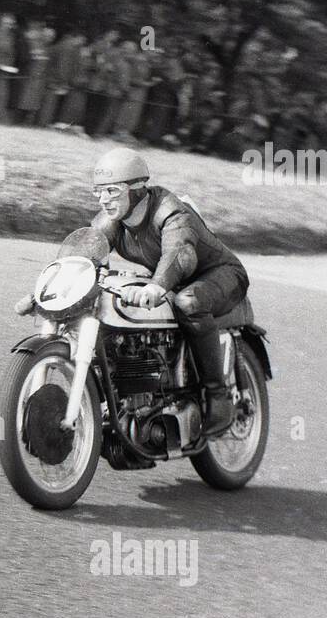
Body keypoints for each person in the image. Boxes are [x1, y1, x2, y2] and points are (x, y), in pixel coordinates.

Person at [88, 149, 249, 435]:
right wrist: (44, 293)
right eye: (99, 191)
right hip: (171, 278)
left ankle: (218, 396)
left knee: (188, 302)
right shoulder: (111, 222)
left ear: (137, 191)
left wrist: (157, 285)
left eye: (112, 191)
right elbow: (83, 254)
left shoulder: (171, 212)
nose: (103, 199)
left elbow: (179, 253)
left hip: (219, 275)